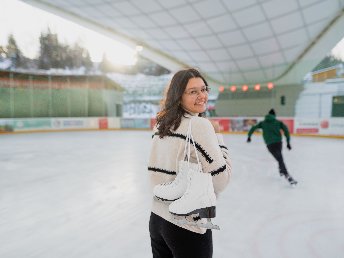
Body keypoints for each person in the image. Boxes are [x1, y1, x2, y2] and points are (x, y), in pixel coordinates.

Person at [147, 68, 231, 258]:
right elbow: (221, 181)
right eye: (193, 92)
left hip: (157, 219)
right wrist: (218, 138)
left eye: (204, 89)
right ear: (178, 96)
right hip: (186, 225)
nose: (202, 96)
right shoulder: (199, 125)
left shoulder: (161, 124)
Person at [247, 108, 297, 185]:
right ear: (274, 115)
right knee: (280, 158)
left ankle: (281, 170)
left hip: (269, 144)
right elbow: (286, 131)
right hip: (278, 143)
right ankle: (286, 175)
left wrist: (249, 136)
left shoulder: (263, 123)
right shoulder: (278, 122)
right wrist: (288, 142)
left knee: (279, 158)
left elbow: (253, 127)